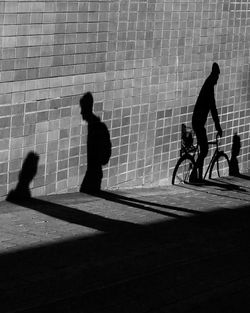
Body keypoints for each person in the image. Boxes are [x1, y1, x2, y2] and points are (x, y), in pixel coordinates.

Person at [190, 62, 222, 182]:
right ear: (214, 75)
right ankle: (194, 175)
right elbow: (213, 108)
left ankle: (199, 176)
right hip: (198, 122)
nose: (217, 80)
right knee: (204, 150)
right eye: (217, 77)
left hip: (198, 122)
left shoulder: (208, 85)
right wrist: (218, 126)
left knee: (203, 150)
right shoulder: (209, 87)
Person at [79, 92, 111, 193]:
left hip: (94, 172)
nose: (81, 112)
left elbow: (106, 148)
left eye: (82, 108)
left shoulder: (96, 127)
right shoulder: (93, 126)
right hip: (93, 171)